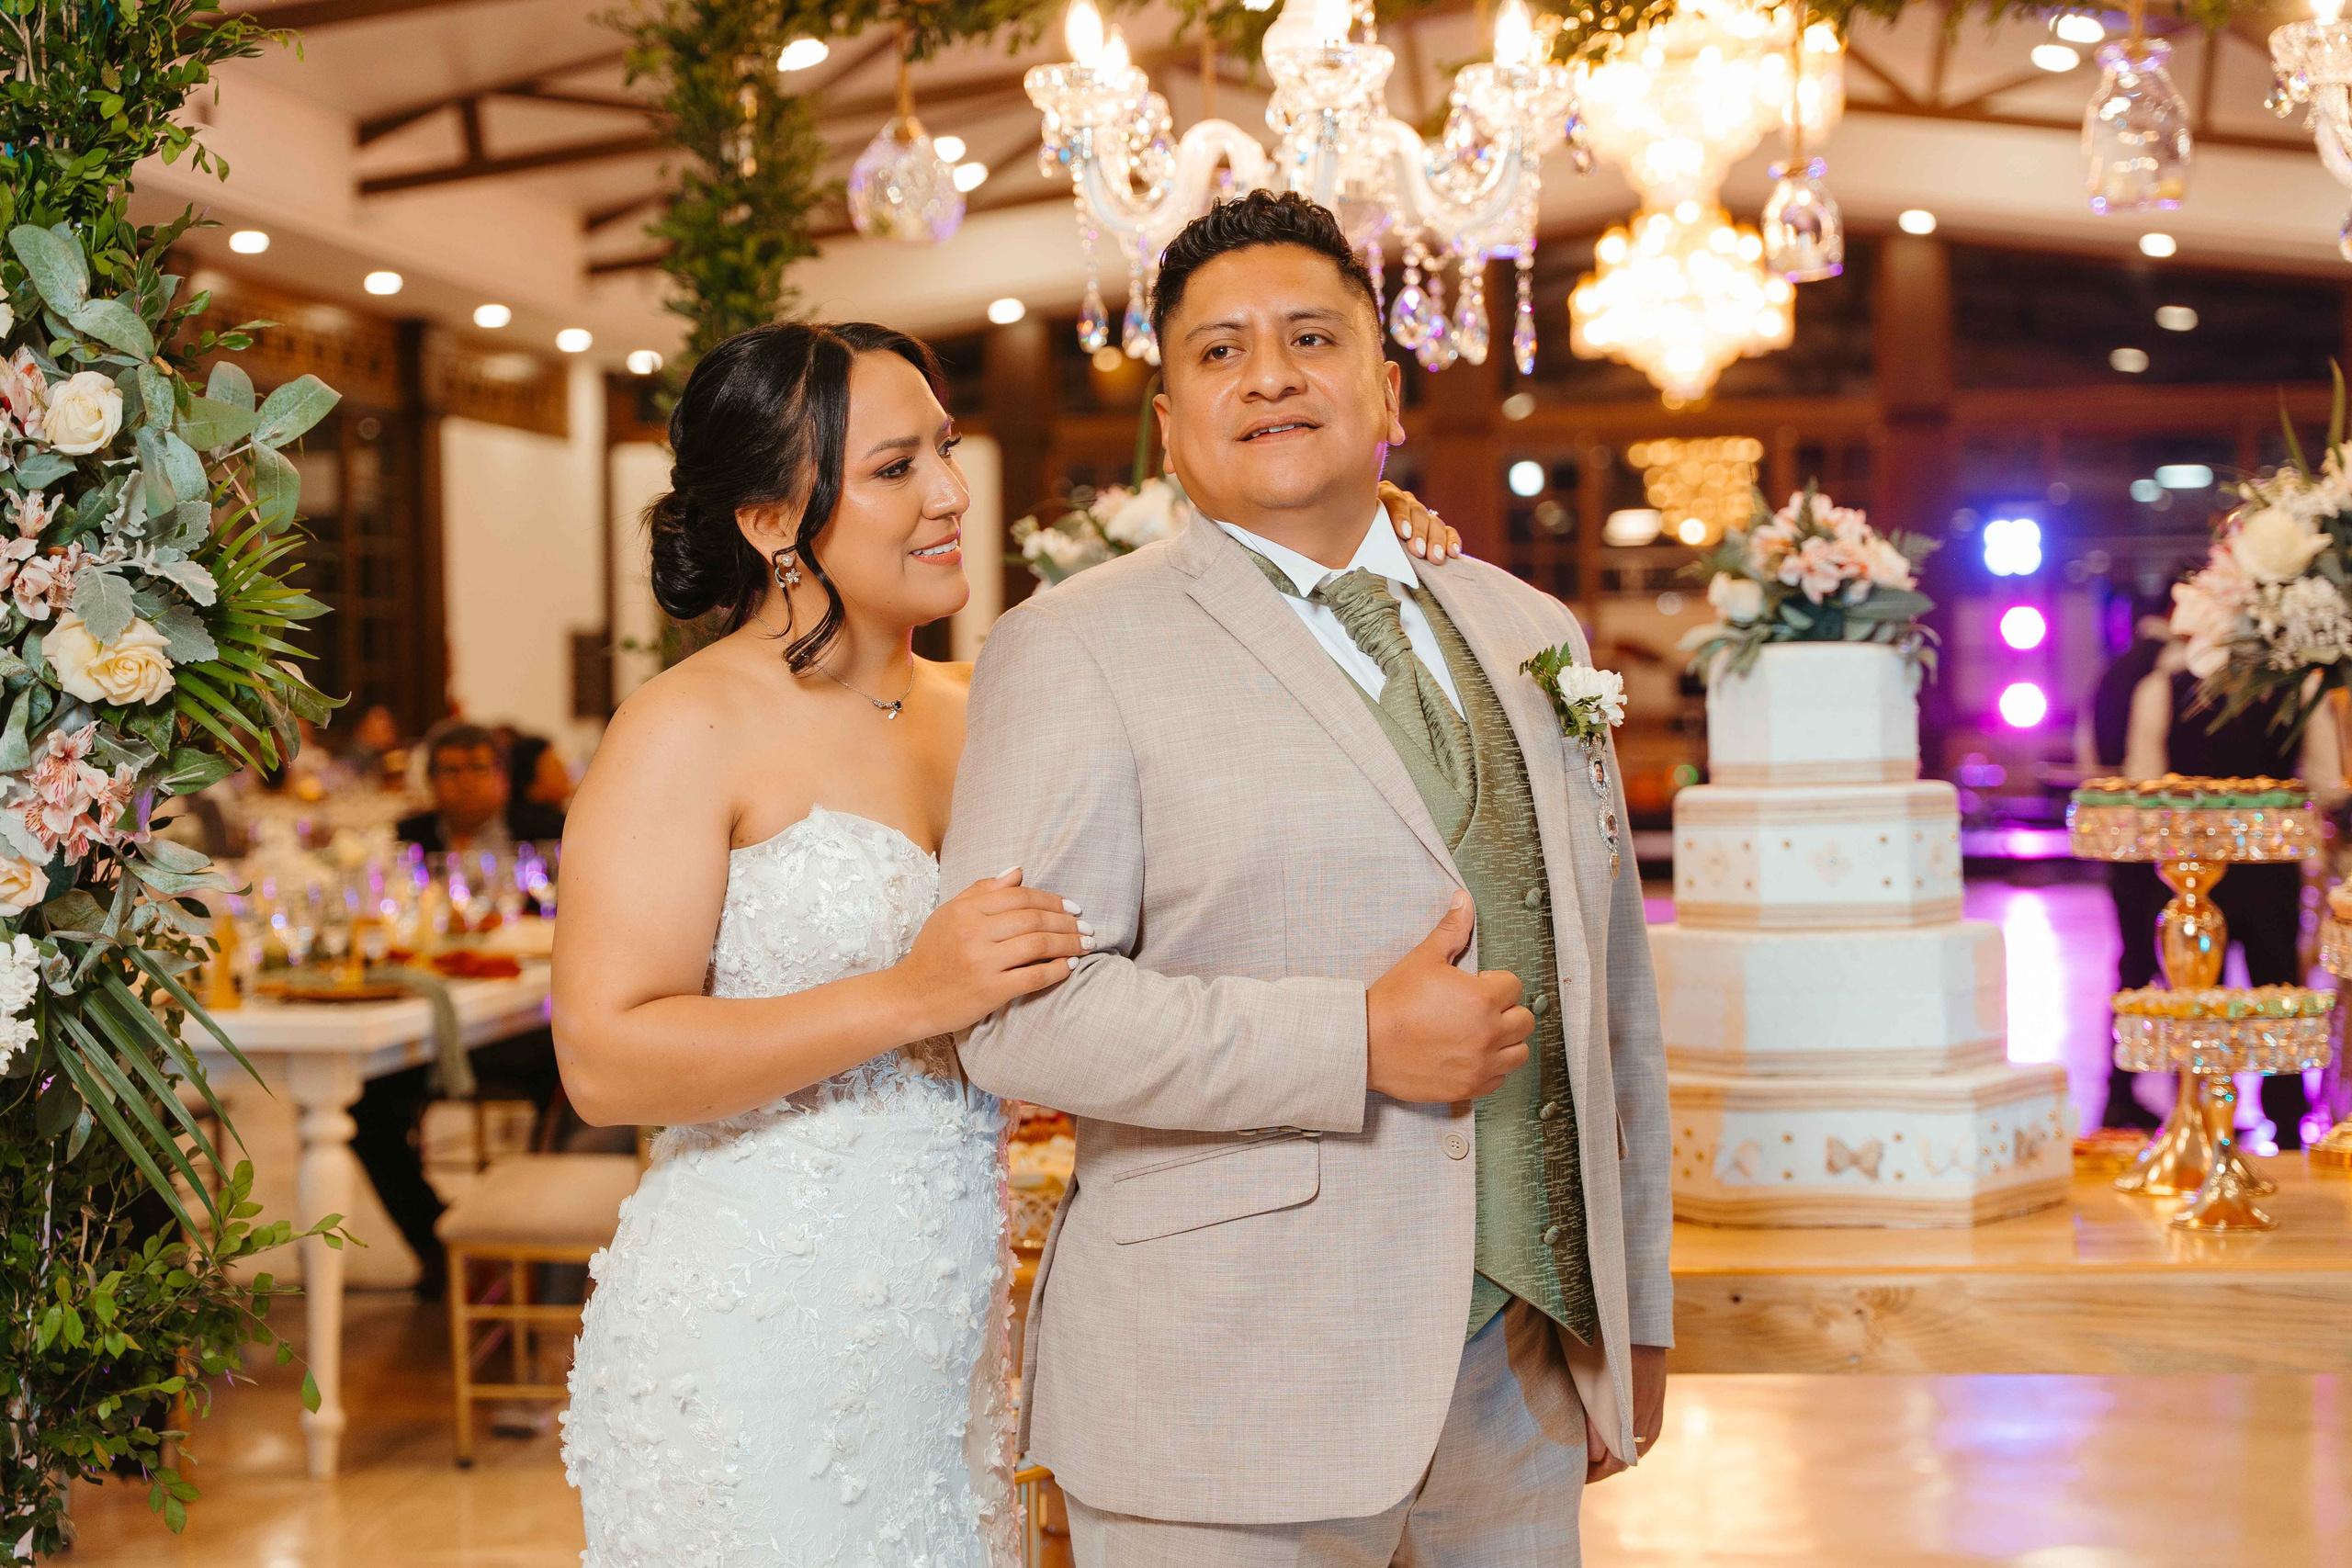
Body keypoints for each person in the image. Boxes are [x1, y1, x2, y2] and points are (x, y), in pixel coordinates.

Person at [548, 313, 1471, 1563]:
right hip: (752, 1323)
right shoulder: (686, 724)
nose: (947, 494)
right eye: (891, 469)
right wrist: (911, 992)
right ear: (770, 523)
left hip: (950, 1317)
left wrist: (1358, 536)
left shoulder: (989, 704)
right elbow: (605, 1056)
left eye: (943, 446)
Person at [943, 192, 1668, 1567]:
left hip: (1516, 1379)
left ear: (1386, 389)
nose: (1267, 374)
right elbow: (1018, 1015)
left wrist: (1630, 1313)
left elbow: (1609, 988)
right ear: (1168, 426)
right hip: (1223, 1385)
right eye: (1216, 353)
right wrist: (1357, 1039)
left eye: (1309, 337)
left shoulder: (1531, 629)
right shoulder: (1072, 646)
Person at [2123, 656, 2345, 1149]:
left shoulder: (2163, 684)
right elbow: (2327, 783)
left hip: (2192, 878)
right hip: (2269, 872)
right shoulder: (2298, 689)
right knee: (2279, 993)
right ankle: (2287, 1122)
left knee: (2197, 1001)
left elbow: (2144, 783)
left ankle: (2198, 1120)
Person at [2077, 594, 2178, 1131]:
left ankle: (2119, 1089)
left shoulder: (2110, 671)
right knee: (2187, 970)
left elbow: (2089, 758)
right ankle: (2191, 1098)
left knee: (2133, 967)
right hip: (2169, 846)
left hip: (2122, 842)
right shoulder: (2171, 671)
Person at [396, 723, 566, 854]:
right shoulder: (408, 840)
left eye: (478, 768)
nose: (465, 782)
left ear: (503, 777)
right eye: (451, 770)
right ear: (431, 780)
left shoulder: (545, 834)